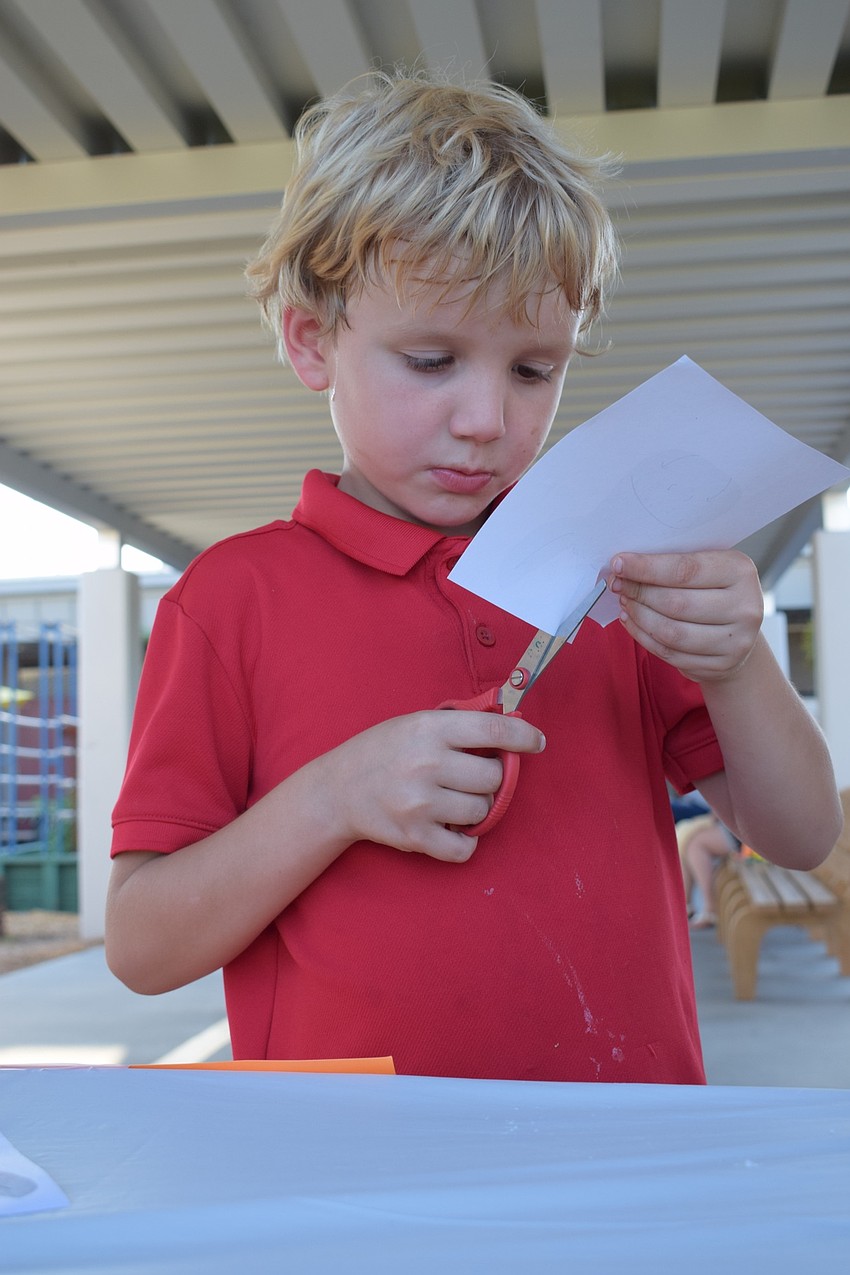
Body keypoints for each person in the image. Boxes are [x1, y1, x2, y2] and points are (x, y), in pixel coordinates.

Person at [104, 71, 842, 1085]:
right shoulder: (230, 603)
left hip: (616, 1157)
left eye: (533, 369)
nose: (487, 420)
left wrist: (737, 658)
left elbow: (799, 835)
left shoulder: (615, 576)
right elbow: (144, 947)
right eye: (430, 359)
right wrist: (332, 798)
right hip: (355, 1186)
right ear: (311, 339)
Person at [677, 811, 742, 929]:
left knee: (695, 844)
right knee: (686, 838)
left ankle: (709, 908)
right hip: (738, 823)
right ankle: (686, 905)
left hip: (748, 830)